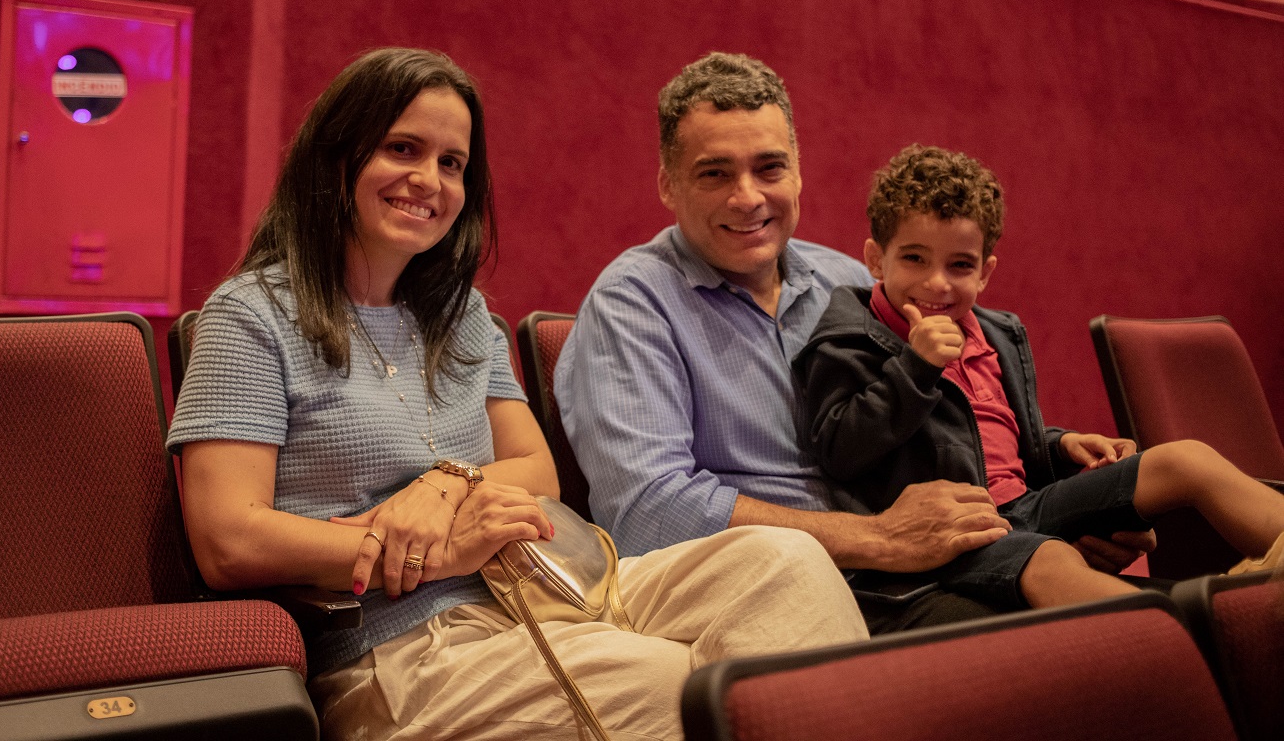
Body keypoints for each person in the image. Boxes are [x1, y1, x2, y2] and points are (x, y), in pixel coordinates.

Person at [167, 48, 868, 740]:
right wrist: (435, 551)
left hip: (554, 586)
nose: (428, 180)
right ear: (336, 158)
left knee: (785, 561)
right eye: (402, 149)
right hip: (401, 645)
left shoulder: (460, 311)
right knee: (672, 682)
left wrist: (444, 487)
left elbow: (536, 472)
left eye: (451, 163)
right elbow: (229, 540)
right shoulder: (252, 315)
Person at [555, 53, 1156, 635]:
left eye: (769, 168)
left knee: (1107, 610)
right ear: (667, 184)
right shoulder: (633, 303)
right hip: (782, 589)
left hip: (929, 561)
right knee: (1052, 644)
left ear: (797, 171)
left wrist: (1061, 480)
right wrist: (878, 538)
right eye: (714, 173)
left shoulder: (846, 281)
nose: (748, 197)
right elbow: (649, 512)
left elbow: (946, 413)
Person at [795, 144, 1284, 609]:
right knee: (1050, 560)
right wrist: (916, 368)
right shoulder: (849, 339)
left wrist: (1060, 445)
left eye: (959, 265)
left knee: (1185, 459)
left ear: (985, 272)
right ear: (876, 259)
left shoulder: (996, 333)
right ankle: (1205, 627)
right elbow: (839, 451)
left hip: (1026, 505)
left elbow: (998, 438)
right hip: (949, 538)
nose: (937, 282)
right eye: (914, 258)